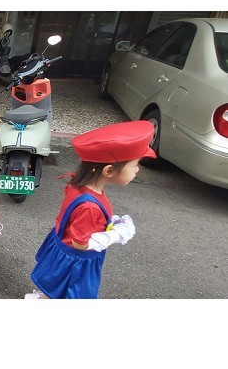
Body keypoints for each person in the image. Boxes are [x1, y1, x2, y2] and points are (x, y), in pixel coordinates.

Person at [26, 121, 153, 299]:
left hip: (63, 249)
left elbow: (77, 220)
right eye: (135, 165)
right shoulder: (91, 207)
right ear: (108, 170)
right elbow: (81, 244)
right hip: (74, 263)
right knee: (66, 294)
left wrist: (109, 222)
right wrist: (115, 235)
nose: (137, 170)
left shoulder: (80, 186)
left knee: (55, 290)